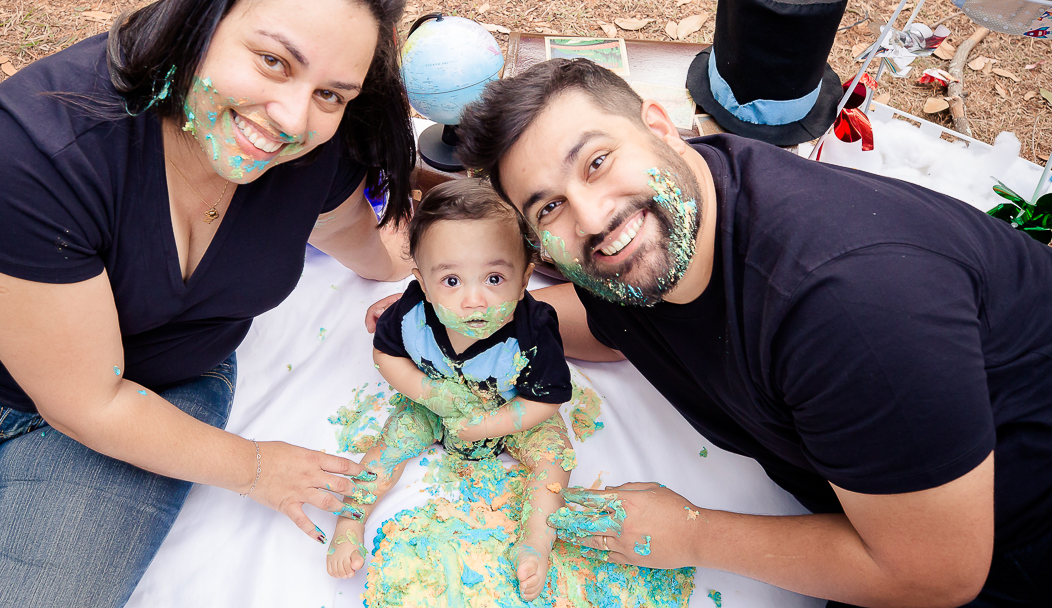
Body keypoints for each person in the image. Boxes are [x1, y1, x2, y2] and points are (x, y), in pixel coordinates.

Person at [0, 0, 416, 607]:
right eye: (273, 62)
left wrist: (439, 270)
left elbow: (361, 239)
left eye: (331, 93)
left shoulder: (317, 151)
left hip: (160, 392)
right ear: (204, 14)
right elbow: (85, 401)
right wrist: (256, 468)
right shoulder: (28, 149)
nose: (292, 118)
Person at [448, 57, 1052, 608]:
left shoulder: (847, 309)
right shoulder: (662, 224)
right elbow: (613, 325)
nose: (592, 217)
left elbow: (936, 574)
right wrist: (485, 321)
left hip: (1007, 539)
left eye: (597, 162)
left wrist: (691, 534)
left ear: (660, 126)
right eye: (549, 207)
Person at [329, 179, 574, 601]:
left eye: (494, 278)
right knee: (389, 446)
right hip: (434, 407)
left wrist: (492, 424)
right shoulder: (411, 313)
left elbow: (545, 400)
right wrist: (427, 392)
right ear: (423, 283)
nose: (473, 300)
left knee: (556, 458)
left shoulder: (534, 331)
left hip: (513, 412)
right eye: (451, 281)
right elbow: (385, 355)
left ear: (524, 280)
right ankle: (351, 519)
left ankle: (537, 539)